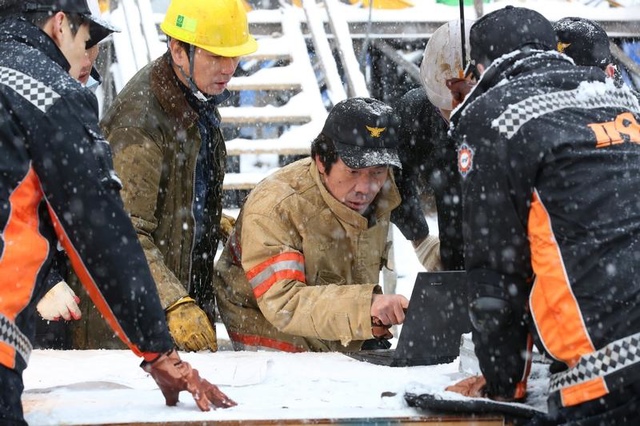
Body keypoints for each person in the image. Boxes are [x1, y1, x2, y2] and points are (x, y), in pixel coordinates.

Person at [0, 0, 235, 423]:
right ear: (60, 25)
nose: (90, 57)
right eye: (88, 41)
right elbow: (101, 233)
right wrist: (159, 350)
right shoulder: (50, 93)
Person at [444, 6, 640, 424]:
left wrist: (502, 382)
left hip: (610, 370)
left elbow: (496, 273)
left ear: (480, 67)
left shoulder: (496, 118)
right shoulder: (623, 98)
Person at [69, 0, 258, 352]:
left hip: (167, 308)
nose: (229, 68)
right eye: (216, 56)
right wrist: (173, 301)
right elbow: (121, 230)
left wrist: (208, 220)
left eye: (234, 56)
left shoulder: (194, 99)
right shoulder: (140, 122)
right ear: (178, 50)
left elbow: (176, 188)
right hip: (127, 326)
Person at [214, 97, 409, 352]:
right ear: (320, 159)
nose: (366, 187)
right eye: (352, 171)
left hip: (340, 337)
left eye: (377, 171)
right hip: (273, 347)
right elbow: (285, 302)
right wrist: (364, 307)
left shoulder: (381, 194)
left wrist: (367, 316)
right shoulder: (275, 207)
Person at [34, 0, 118, 349]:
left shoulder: (76, 102)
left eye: (94, 50)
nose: (88, 62)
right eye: (82, 47)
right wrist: (43, 279)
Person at [391, 19, 473, 272]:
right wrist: (419, 237)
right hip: (453, 249)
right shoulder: (417, 114)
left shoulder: (518, 115)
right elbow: (391, 176)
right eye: (448, 111)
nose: (456, 119)